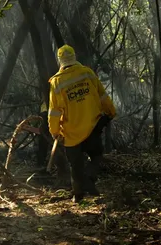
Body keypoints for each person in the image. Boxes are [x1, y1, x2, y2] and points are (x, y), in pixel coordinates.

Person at [48, 44, 116, 203]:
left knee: (75, 164)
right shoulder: (87, 73)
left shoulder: (56, 82)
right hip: (92, 126)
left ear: (60, 61)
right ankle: (90, 179)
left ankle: (78, 195)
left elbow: (54, 111)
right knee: (96, 155)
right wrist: (111, 111)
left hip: (71, 132)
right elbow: (102, 96)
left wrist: (55, 131)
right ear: (74, 57)